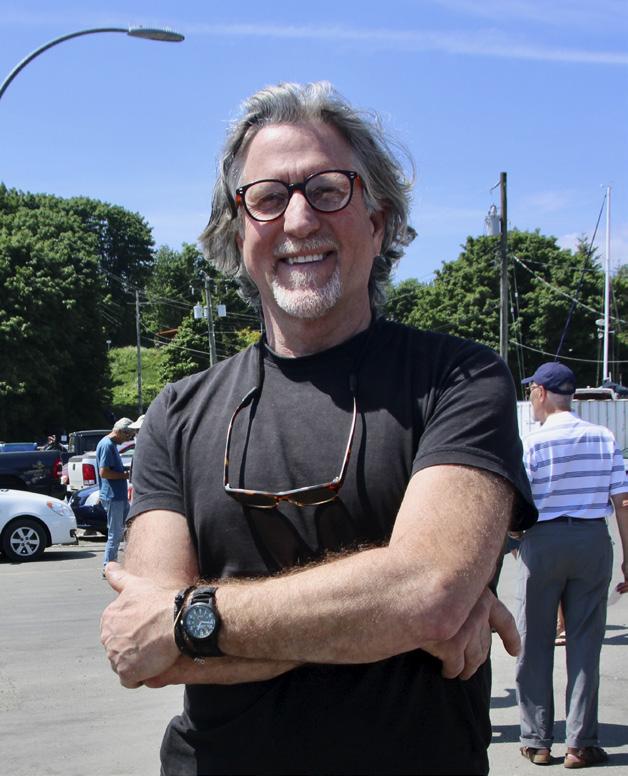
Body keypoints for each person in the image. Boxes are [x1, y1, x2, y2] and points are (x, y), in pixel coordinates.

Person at [100, 81, 537, 776]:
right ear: (237, 232)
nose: (299, 220)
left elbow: (428, 593)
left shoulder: (459, 378)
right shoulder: (176, 413)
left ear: (379, 222)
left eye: (329, 190)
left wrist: (193, 621)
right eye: (268, 198)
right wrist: (388, 616)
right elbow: (150, 651)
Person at [516, 362, 628, 769]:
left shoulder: (531, 442)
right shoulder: (603, 437)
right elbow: (623, 501)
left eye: (531, 391)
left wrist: (515, 539)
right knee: (585, 643)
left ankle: (537, 741)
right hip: (591, 540)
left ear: (541, 392)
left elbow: (517, 501)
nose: (530, 398)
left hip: (542, 541)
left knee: (535, 642)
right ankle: (580, 744)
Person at [95, 417, 135, 575]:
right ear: (120, 432)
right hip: (113, 496)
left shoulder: (110, 444)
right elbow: (104, 472)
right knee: (115, 533)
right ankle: (108, 567)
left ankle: (126, 563)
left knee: (129, 529)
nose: (128, 439)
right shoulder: (107, 445)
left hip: (118, 495)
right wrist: (125, 475)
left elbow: (111, 468)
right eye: (128, 435)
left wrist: (123, 471)